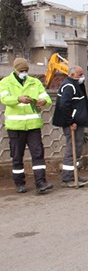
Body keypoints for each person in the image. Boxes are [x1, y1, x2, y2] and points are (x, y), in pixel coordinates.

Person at [0, 58, 53, 194]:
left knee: (38, 154)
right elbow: (4, 99)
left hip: (33, 126)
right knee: (17, 156)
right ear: (15, 70)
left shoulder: (35, 82)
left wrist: (43, 102)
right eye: (22, 71)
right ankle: (19, 183)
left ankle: (41, 182)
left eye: (26, 71)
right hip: (15, 127)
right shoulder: (6, 83)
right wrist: (18, 99)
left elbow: (47, 98)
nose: (24, 73)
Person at [52, 65, 88, 187]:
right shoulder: (69, 86)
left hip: (76, 122)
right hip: (72, 123)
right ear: (72, 75)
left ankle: (73, 174)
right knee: (72, 149)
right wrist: (70, 121)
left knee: (77, 149)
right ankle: (68, 177)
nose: (82, 77)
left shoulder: (76, 84)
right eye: (80, 75)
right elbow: (64, 106)